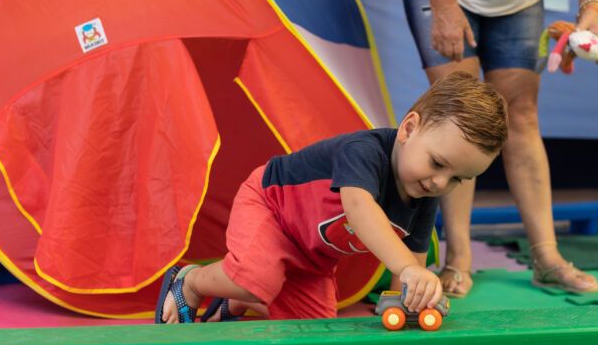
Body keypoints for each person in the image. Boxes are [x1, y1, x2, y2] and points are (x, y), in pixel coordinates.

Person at [158, 71, 508, 323]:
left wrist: (407, 299)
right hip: (271, 208)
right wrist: (403, 267)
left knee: (319, 331)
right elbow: (359, 210)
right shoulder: (364, 151)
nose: (439, 183)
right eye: (437, 163)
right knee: (254, 277)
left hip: (311, 257)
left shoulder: (424, 193)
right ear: (409, 128)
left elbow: (413, 257)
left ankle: (235, 299)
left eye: (457, 179)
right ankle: (191, 280)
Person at [401, 0, 598, 295]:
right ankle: (458, 258)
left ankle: (547, 258)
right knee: (459, 117)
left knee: (521, 117)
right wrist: (445, 6)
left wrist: (592, 8)